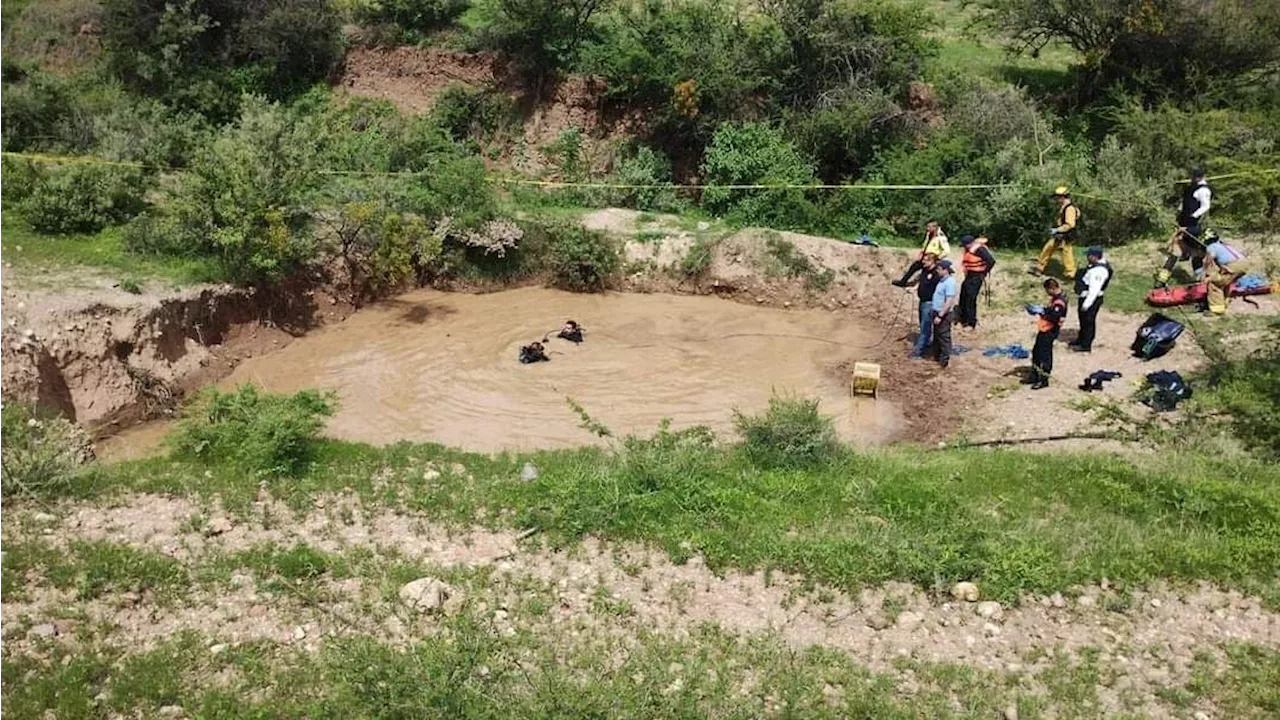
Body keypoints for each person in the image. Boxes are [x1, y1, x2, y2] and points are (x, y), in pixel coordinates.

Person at [1158, 168, 1213, 285]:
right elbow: (1185, 202)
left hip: (1194, 226)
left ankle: (1200, 279)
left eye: (1194, 177)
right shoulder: (1190, 187)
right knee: (1175, 250)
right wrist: (1179, 213)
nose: (1192, 178)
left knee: (1196, 253)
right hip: (1183, 223)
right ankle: (1162, 279)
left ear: (1200, 177)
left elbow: (1205, 206)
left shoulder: (1204, 190)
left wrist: (1193, 216)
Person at [1028, 278, 1068, 390]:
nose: (1047, 293)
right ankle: (1035, 375)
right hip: (1044, 329)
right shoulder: (1055, 299)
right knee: (1036, 352)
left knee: (1045, 355)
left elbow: (1054, 317)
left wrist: (1042, 311)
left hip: (1050, 331)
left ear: (1052, 288)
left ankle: (1044, 379)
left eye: (1047, 290)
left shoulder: (1059, 302)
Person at [1070, 247, 1112, 353]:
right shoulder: (1097, 265)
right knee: (1083, 320)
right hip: (1087, 297)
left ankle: (1086, 345)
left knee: (1088, 321)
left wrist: (1086, 304)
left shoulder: (1098, 271)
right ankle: (1081, 339)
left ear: (1094, 257)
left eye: (1089, 255)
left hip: (1091, 299)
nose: (1087, 257)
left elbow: (1094, 289)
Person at [1033, 186, 1079, 279]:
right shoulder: (1064, 207)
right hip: (1060, 234)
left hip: (1066, 235)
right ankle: (1039, 268)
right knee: (1048, 248)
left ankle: (1070, 274)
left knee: (1067, 254)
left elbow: (1070, 225)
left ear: (1062, 197)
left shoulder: (1070, 208)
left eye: (1057, 197)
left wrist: (1057, 230)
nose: (1056, 199)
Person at [1203, 233, 1251, 315]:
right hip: (1244, 263)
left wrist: (1204, 271)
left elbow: (1210, 259)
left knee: (1214, 283)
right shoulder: (1225, 245)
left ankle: (1217, 310)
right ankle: (1224, 302)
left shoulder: (1211, 246)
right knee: (1225, 282)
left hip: (1233, 265)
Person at [892, 220, 950, 286]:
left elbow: (946, 251)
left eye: (929, 227)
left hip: (932, 259)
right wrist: (922, 253)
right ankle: (903, 282)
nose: (928, 228)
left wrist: (938, 257)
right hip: (925, 257)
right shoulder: (929, 235)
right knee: (913, 267)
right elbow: (925, 244)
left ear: (935, 227)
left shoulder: (941, 237)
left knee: (926, 274)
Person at [958, 235, 996, 329]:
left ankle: (971, 322)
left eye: (965, 245)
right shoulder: (969, 249)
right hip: (969, 275)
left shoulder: (979, 249)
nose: (964, 247)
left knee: (971, 298)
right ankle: (963, 319)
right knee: (963, 295)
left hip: (977, 276)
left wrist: (984, 272)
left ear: (970, 243)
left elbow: (991, 261)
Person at [908, 253, 942, 358]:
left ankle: (918, 352)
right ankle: (926, 344)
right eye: (924, 260)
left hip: (930, 303)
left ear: (933, 262)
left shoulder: (936, 274)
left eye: (927, 260)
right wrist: (913, 289)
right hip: (922, 301)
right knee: (922, 325)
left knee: (925, 328)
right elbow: (921, 282)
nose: (923, 262)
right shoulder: (924, 270)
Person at [931, 260, 959, 368]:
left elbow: (949, 301)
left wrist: (940, 315)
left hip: (944, 314)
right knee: (937, 336)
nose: (937, 271)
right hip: (936, 312)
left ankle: (944, 361)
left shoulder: (950, 283)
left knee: (944, 337)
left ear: (945, 270)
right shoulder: (941, 281)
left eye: (939, 269)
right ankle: (937, 357)